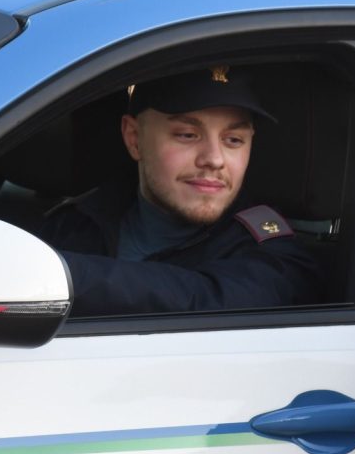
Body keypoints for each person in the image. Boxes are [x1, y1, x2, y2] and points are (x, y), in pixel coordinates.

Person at [37, 65, 321, 317]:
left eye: (234, 140)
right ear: (134, 139)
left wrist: (57, 274)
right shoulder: (72, 224)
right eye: (188, 135)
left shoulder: (276, 257)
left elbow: (209, 302)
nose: (214, 159)